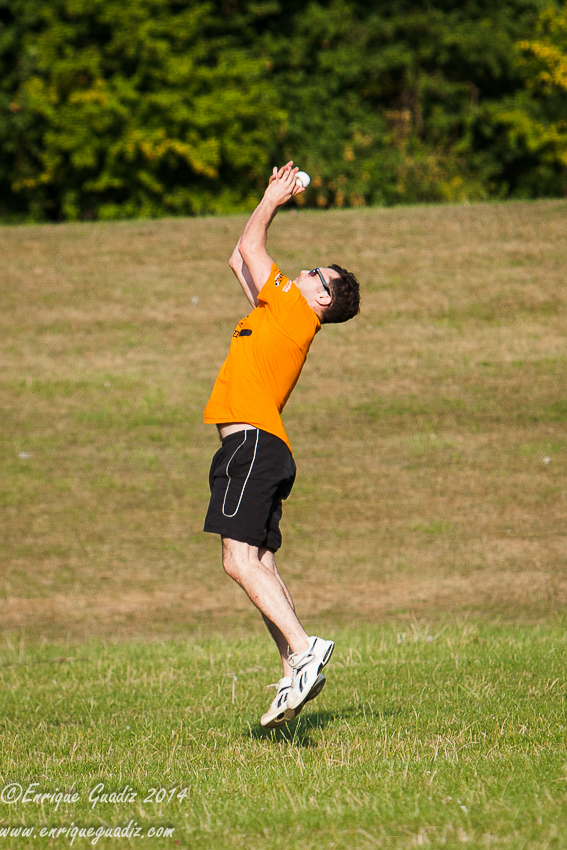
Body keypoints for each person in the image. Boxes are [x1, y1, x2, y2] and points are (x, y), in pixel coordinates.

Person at [203, 162, 360, 728]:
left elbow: (252, 244)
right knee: (260, 563)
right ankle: (295, 667)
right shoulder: (275, 310)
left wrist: (273, 199)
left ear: (323, 299)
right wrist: (266, 200)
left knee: (238, 561)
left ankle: (304, 648)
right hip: (261, 448)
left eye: (318, 274)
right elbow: (237, 257)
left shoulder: (294, 309)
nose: (307, 270)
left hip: (251, 446)